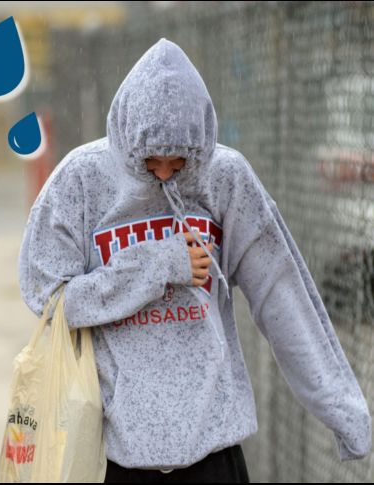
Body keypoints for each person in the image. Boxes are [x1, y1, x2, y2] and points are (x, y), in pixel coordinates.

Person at [19, 38, 371, 482]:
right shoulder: (81, 179)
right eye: (151, 160)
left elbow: (281, 292)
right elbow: (49, 300)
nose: (165, 171)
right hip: (114, 450)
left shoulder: (225, 177)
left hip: (214, 446)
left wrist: (341, 408)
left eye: (179, 160)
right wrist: (159, 264)